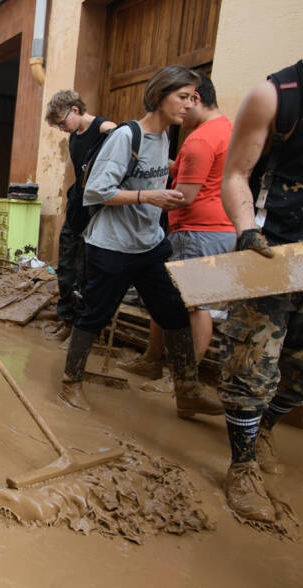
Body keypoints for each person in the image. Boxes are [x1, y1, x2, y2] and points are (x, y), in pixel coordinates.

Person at [217, 0, 303, 522]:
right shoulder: (276, 94)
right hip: (272, 252)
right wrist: (246, 230)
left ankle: (268, 425)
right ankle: (243, 462)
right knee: (250, 365)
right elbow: (235, 176)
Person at [58, 65, 222, 420]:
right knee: (95, 315)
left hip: (150, 244)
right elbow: (96, 191)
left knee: (175, 313)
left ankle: (187, 391)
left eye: (193, 98)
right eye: (182, 97)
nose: (188, 105)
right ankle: (71, 382)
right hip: (113, 246)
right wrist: (148, 196)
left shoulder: (165, 137)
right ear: (160, 96)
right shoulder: (125, 136)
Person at [119, 73, 236, 383]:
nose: (183, 110)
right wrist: (160, 165)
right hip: (219, 229)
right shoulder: (226, 129)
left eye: (186, 99)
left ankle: (182, 380)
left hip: (197, 231)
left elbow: (184, 196)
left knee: (195, 306)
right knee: (167, 297)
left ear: (195, 99)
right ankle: (153, 359)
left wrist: (139, 196)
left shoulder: (201, 139)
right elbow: (203, 175)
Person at [44, 90, 117, 342]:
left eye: (62, 122)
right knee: (66, 268)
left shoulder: (107, 130)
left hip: (97, 213)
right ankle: (67, 320)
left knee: (88, 273)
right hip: (77, 206)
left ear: (75, 109)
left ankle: (84, 331)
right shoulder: (75, 137)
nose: (62, 128)